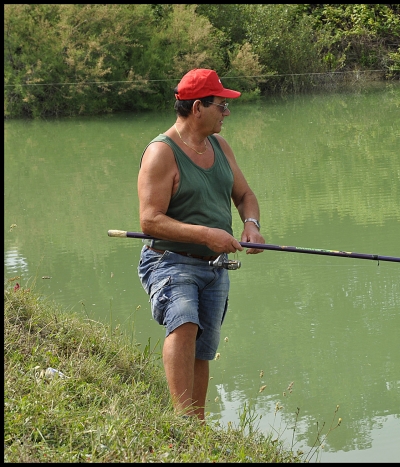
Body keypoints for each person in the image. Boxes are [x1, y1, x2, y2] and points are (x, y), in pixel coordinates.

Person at [137, 68, 265, 420]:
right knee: (184, 322)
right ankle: (180, 423)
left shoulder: (221, 146)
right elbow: (149, 220)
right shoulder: (161, 153)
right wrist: (207, 234)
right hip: (169, 259)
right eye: (221, 105)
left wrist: (250, 225)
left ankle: (196, 423)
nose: (227, 113)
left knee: (203, 348)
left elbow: (245, 195)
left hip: (214, 267)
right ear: (197, 108)